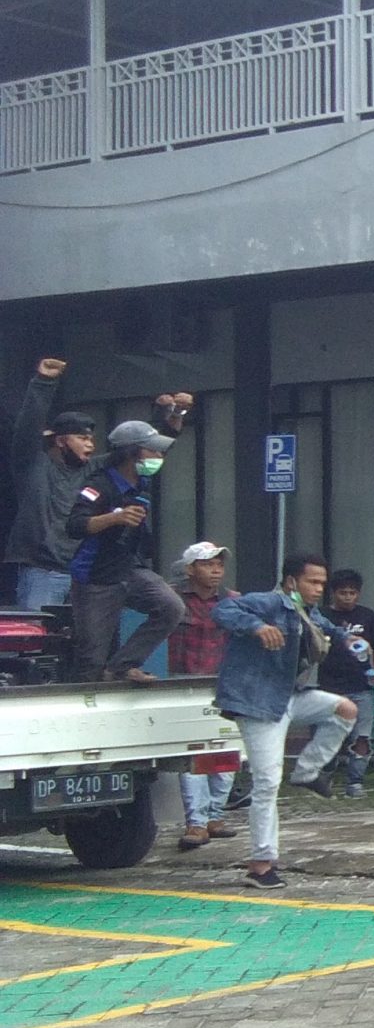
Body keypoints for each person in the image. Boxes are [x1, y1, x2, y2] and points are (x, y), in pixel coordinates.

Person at [213, 554, 358, 889]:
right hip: (259, 702)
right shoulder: (266, 602)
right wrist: (257, 627)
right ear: (292, 582)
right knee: (266, 782)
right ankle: (261, 865)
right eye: (313, 582)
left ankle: (308, 772)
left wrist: (346, 638)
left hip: (291, 695)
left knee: (345, 709)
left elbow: (325, 625)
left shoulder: (307, 611)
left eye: (323, 583)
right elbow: (222, 610)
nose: (319, 589)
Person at [7, 357, 189, 610]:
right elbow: (27, 429)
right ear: (60, 441)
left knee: (87, 642)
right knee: (37, 639)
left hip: (87, 573)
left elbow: (138, 451)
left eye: (92, 439)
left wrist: (169, 415)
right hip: (43, 572)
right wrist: (44, 382)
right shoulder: (35, 466)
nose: (90, 444)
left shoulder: (95, 468)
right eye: (82, 438)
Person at [64, 419, 190, 682]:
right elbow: (75, 526)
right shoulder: (98, 485)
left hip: (129, 569)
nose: (159, 456)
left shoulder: (140, 484)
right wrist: (114, 518)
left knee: (171, 607)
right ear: (131, 453)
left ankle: (122, 666)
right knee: (91, 659)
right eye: (152, 451)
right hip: (95, 578)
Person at [166, 541, 238, 849]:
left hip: (222, 683)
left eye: (219, 564)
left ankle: (215, 816)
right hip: (182, 685)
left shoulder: (233, 601)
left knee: (224, 751)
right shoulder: (171, 599)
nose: (216, 570)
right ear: (190, 569)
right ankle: (196, 822)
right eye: (208, 564)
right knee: (193, 755)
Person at [317, 569, 374, 795]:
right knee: (328, 736)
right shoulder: (322, 616)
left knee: (362, 737)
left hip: (361, 687)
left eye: (352, 593)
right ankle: (324, 778)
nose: (348, 597)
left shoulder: (368, 616)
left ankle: (355, 782)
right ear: (334, 593)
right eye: (343, 592)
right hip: (330, 687)